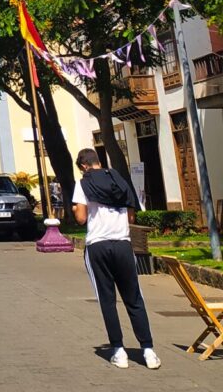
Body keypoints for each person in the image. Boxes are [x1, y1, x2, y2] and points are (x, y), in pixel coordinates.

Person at [72, 149, 159, 370]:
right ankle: (148, 350)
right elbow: (131, 216)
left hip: (98, 246)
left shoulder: (82, 184)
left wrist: (76, 209)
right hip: (122, 244)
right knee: (134, 298)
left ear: (83, 166)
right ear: (98, 161)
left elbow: (81, 218)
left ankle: (118, 350)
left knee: (107, 299)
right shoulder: (119, 180)